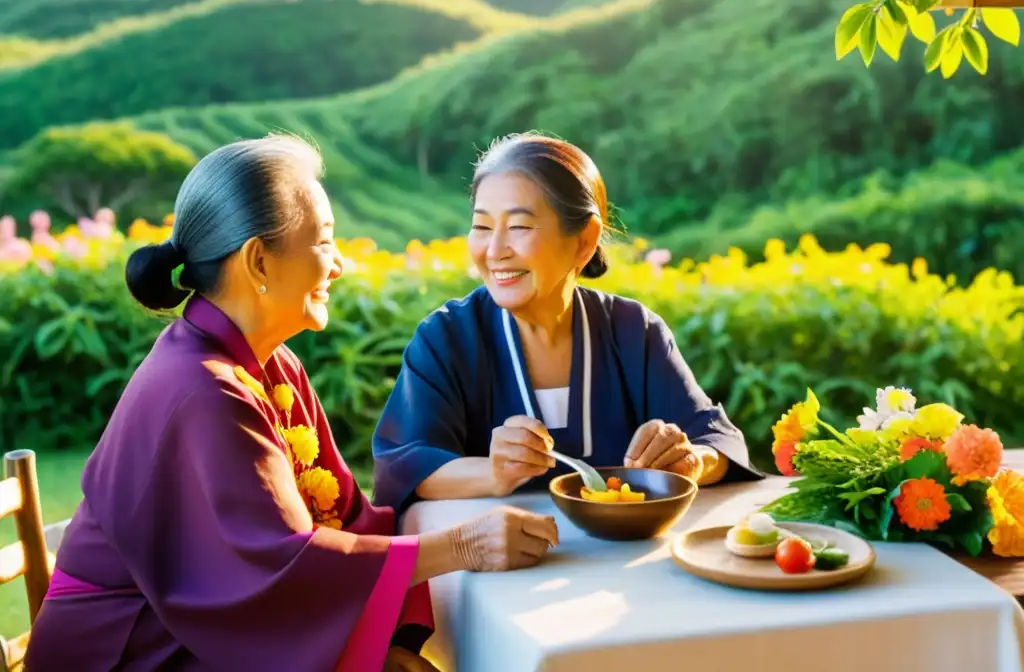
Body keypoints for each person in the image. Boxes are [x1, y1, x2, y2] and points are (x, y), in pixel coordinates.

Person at [26, 135, 559, 672]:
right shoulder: (203, 390)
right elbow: (283, 573)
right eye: (324, 241)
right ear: (259, 261)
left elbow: (343, 516)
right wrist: (464, 547)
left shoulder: (271, 364)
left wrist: (387, 642)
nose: (339, 264)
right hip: (136, 653)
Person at [372, 133, 763, 514]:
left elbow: (719, 442)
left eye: (520, 227)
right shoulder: (447, 338)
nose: (494, 251)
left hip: (627, 563)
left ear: (583, 239)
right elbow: (405, 466)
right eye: (483, 226)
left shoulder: (634, 332)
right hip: (498, 568)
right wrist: (492, 473)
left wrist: (691, 459)